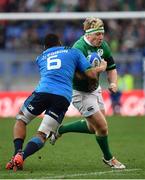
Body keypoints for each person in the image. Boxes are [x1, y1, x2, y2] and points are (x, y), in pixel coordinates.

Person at [6, 33, 107, 171]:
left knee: (21, 120)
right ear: (60, 43)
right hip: (62, 97)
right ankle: (22, 157)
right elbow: (90, 74)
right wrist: (101, 68)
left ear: (44, 47)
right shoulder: (73, 52)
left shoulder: (40, 58)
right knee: (42, 135)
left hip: (42, 92)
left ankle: (16, 154)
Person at [50, 17, 126, 169]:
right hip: (80, 92)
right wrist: (99, 69)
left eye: (102, 34)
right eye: (98, 34)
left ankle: (60, 129)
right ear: (89, 34)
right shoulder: (78, 48)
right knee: (102, 127)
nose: (101, 37)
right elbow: (78, 74)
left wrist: (113, 82)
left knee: (94, 128)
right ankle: (109, 158)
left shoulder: (103, 46)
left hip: (95, 89)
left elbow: (111, 67)